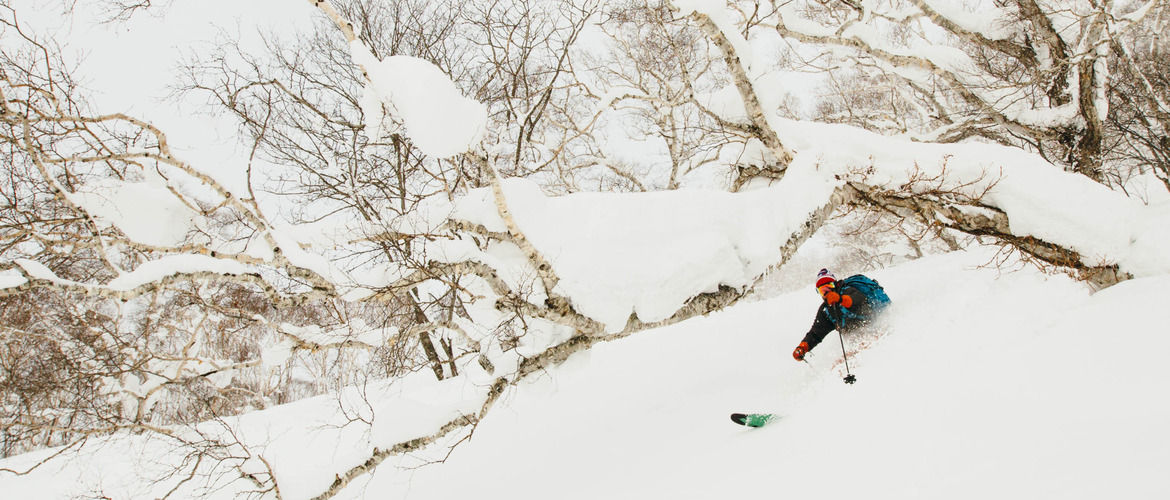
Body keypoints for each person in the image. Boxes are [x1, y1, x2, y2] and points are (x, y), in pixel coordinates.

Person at [792, 268, 890, 362]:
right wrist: (803, 347)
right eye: (822, 290)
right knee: (840, 364)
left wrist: (840, 299)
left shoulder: (847, 290)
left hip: (877, 327)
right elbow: (816, 333)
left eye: (829, 286)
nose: (826, 292)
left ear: (835, 284)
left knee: (858, 355)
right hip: (857, 341)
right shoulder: (826, 310)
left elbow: (859, 299)